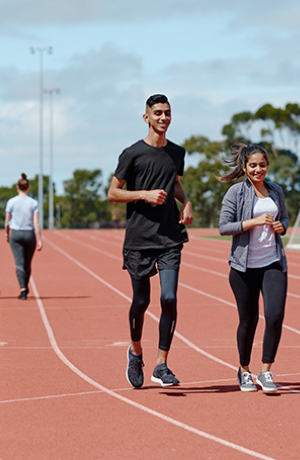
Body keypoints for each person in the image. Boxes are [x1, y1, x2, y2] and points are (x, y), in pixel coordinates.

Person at [107, 94, 193, 388]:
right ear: (146, 117)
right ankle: (135, 351)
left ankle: (162, 364)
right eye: (157, 113)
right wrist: (143, 194)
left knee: (169, 298)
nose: (163, 118)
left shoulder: (178, 152)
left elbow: (175, 181)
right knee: (141, 301)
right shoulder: (132, 154)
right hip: (139, 237)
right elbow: (113, 192)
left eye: (167, 113)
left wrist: (186, 201)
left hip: (170, 236)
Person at [218, 143, 289, 392]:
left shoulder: (276, 190)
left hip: (273, 262)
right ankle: (244, 370)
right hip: (243, 267)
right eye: (253, 165)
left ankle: (266, 370)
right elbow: (224, 227)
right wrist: (253, 222)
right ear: (245, 167)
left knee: (275, 315)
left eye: (262, 164)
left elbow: (285, 218)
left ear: (267, 166)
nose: (258, 169)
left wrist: (282, 226)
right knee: (248, 320)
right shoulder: (236, 193)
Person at [5, 173, 42, 300]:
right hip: (29, 234)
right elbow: (36, 222)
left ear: (17, 187)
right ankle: (25, 286)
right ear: (28, 187)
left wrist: (6, 233)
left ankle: (22, 289)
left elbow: (7, 221)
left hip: (16, 234)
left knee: (19, 263)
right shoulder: (33, 202)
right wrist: (40, 240)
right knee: (27, 263)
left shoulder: (11, 202)